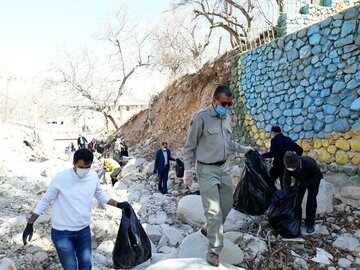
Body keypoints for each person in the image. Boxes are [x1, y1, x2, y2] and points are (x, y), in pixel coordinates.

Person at [22, 149, 129, 270]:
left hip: (83, 231)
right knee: (70, 267)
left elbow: (99, 194)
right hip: (62, 233)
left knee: (86, 266)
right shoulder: (61, 178)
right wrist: (30, 223)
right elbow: (45, 200)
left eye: (87, 167)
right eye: (80, 167)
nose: (83, 170)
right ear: (73, 163)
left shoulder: (93, 176)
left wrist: (118, 204)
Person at [182, 85, 253, 267]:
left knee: (228, 205)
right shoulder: (200, 117)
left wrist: (244, 149)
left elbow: (228, 142)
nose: (227, 107)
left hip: (224, 169)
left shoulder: (226, 117)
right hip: (206, 170)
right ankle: (214, 250)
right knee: (213, 211)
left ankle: (208, 229)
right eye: (224, 103)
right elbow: (189, 146)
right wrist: (188, 170)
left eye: (230, 104)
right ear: (214, 101)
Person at [283, 151, 323, 234]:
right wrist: (287, 193)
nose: (291, 170)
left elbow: (319, 176)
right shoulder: (288, 165)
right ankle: (297, 221)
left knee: (311, 201)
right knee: (296, 202)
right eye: (289, 168)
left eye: (292, 168)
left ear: (297, 164)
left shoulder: (309, 163)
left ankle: (310, 223)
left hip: (313, 181)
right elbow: (286, 180)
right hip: (300, 181)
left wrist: (305, 184)